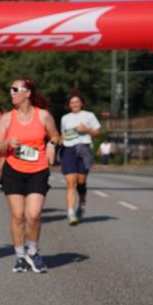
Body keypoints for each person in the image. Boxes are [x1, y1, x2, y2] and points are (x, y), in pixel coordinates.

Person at [0, 77, 60, 274]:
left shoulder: (43, 116)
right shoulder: (7, 118)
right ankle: (20, 256)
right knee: (17, 215)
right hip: (13, 170)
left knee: (34, 214)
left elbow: (56, 135)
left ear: (27, 93)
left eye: (15, 89)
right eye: (10, 89)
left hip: (37, 170)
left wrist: (51, 144)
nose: (11, 93)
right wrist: (7, 143)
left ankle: (33, 251)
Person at [59, 92, 101, 225]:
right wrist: (59, 141)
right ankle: (70, 213)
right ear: (69, 105)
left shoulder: (89, 116)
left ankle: (82, 202)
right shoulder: (65, 118)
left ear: (81, 103)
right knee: (71, 182)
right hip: (69, 150)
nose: (74, 104)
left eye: (77, 102)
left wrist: (87, 130)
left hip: (84, 149)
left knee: (81, 181)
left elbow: (98, 132)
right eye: (72, 102)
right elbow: (63, 135)